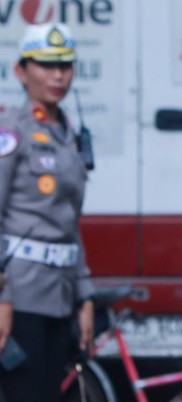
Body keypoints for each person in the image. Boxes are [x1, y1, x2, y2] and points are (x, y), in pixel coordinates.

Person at [0, 23, 94, 401]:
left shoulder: (67, 135)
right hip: (18, 297)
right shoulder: (12, 132)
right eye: (45, 64)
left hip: (60, 296)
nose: (57, 74)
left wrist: (85, 295)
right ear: (22, 71)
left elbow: (69, 222)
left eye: (65, 64)